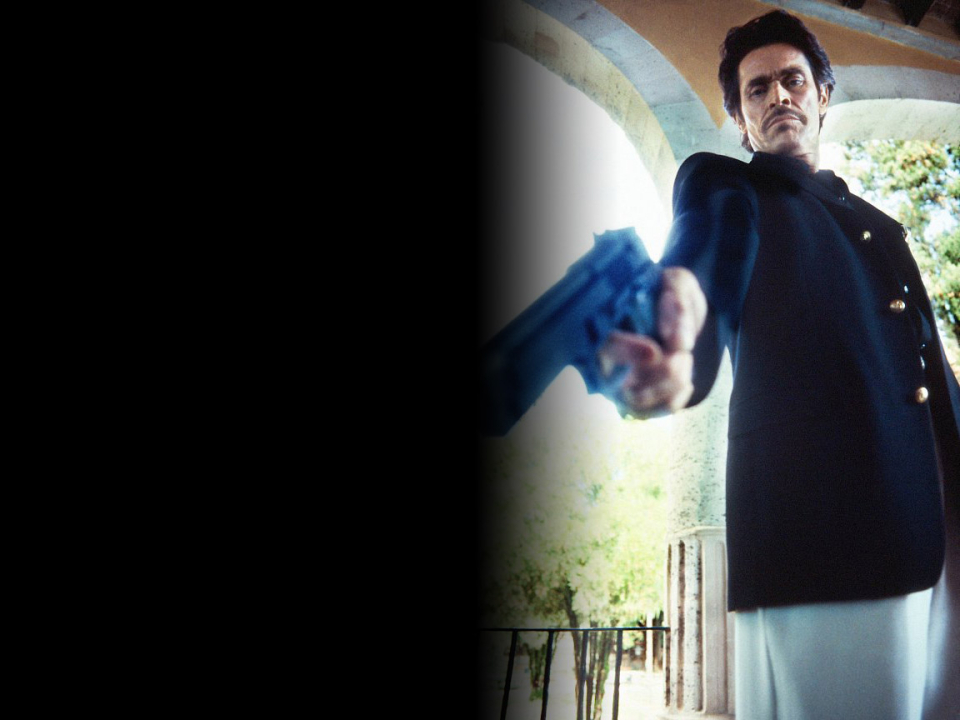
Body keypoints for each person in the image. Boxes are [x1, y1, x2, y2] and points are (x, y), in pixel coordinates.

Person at [598, 10, 959, 720]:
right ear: (740, 119)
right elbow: (699, 264)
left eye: (793, 80)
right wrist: (674, 337)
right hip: (829, 535)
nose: (778, 96)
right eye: (757, 89)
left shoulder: (880, 227)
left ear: (822, 95)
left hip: (935, 527)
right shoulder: (728, 188)